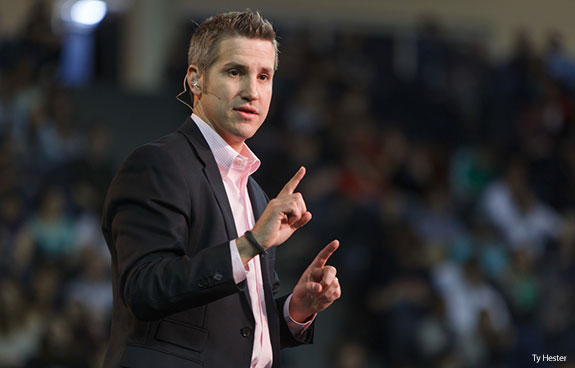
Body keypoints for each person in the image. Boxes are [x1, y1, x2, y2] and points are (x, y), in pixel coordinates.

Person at [101, 10, 341, 368]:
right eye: (235, 72)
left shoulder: (256, 193)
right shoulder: (158, 164)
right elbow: (144, 288)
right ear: (196, 80)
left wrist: (297, 308)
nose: (252, 91)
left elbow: (241, 329)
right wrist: (250, 244)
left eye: (264, 76)